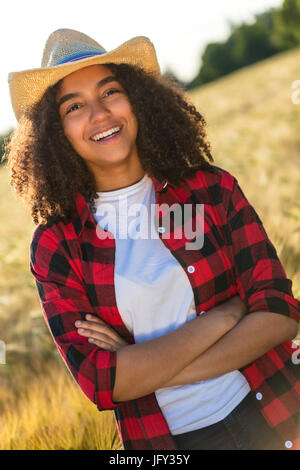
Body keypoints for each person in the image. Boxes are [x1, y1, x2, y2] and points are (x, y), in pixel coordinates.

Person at [5, 28, 300, 451]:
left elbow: (279, 313)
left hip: (277, 411)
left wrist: (140, 367)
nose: (100, 113)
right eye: (75, 106)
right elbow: (100, 381)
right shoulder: (57, 246)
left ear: (138, 99)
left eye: (110, 91)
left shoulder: (210, 190)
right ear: (56, 132)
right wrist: (225, 317)